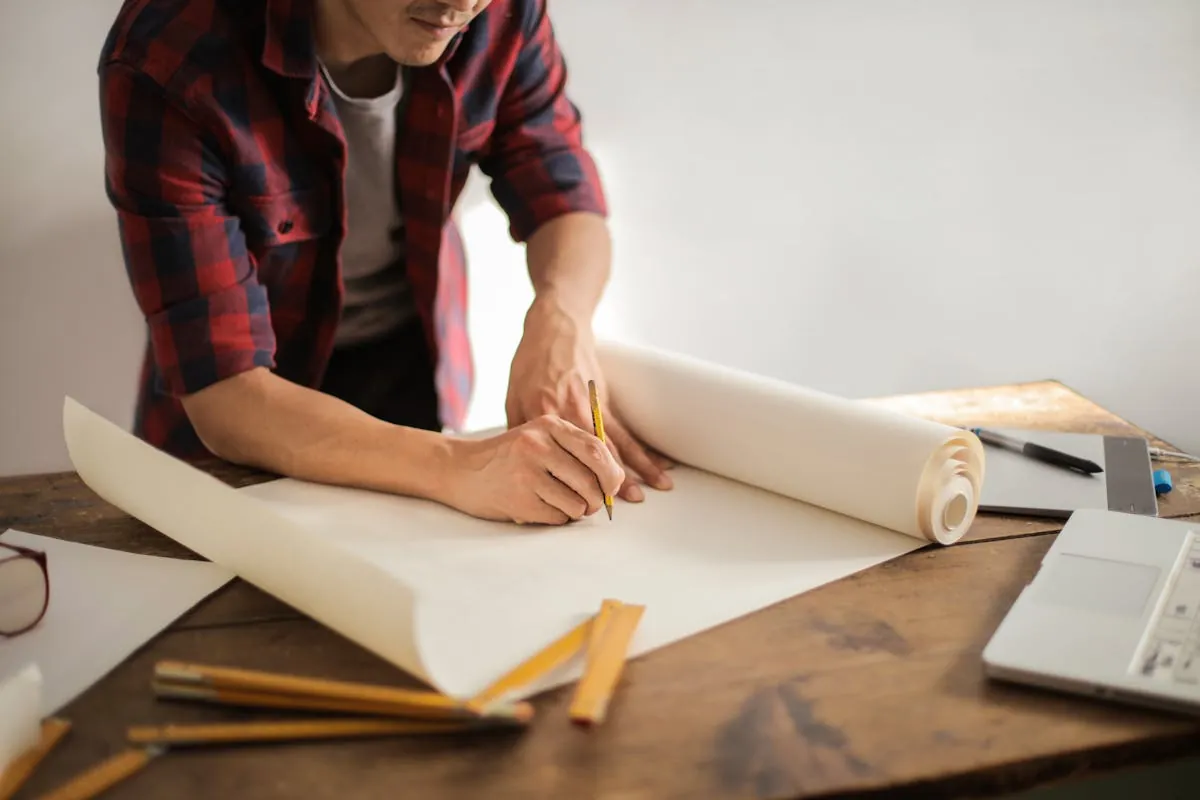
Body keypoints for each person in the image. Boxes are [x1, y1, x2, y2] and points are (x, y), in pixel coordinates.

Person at [97, 0, 673, 525]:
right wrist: (462, 467)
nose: (461, 6)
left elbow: (564, 192)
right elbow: (225, 394)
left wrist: (560, 318)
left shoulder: (502, 13)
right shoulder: (169, 52)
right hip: (243, 427)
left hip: (410, 364)